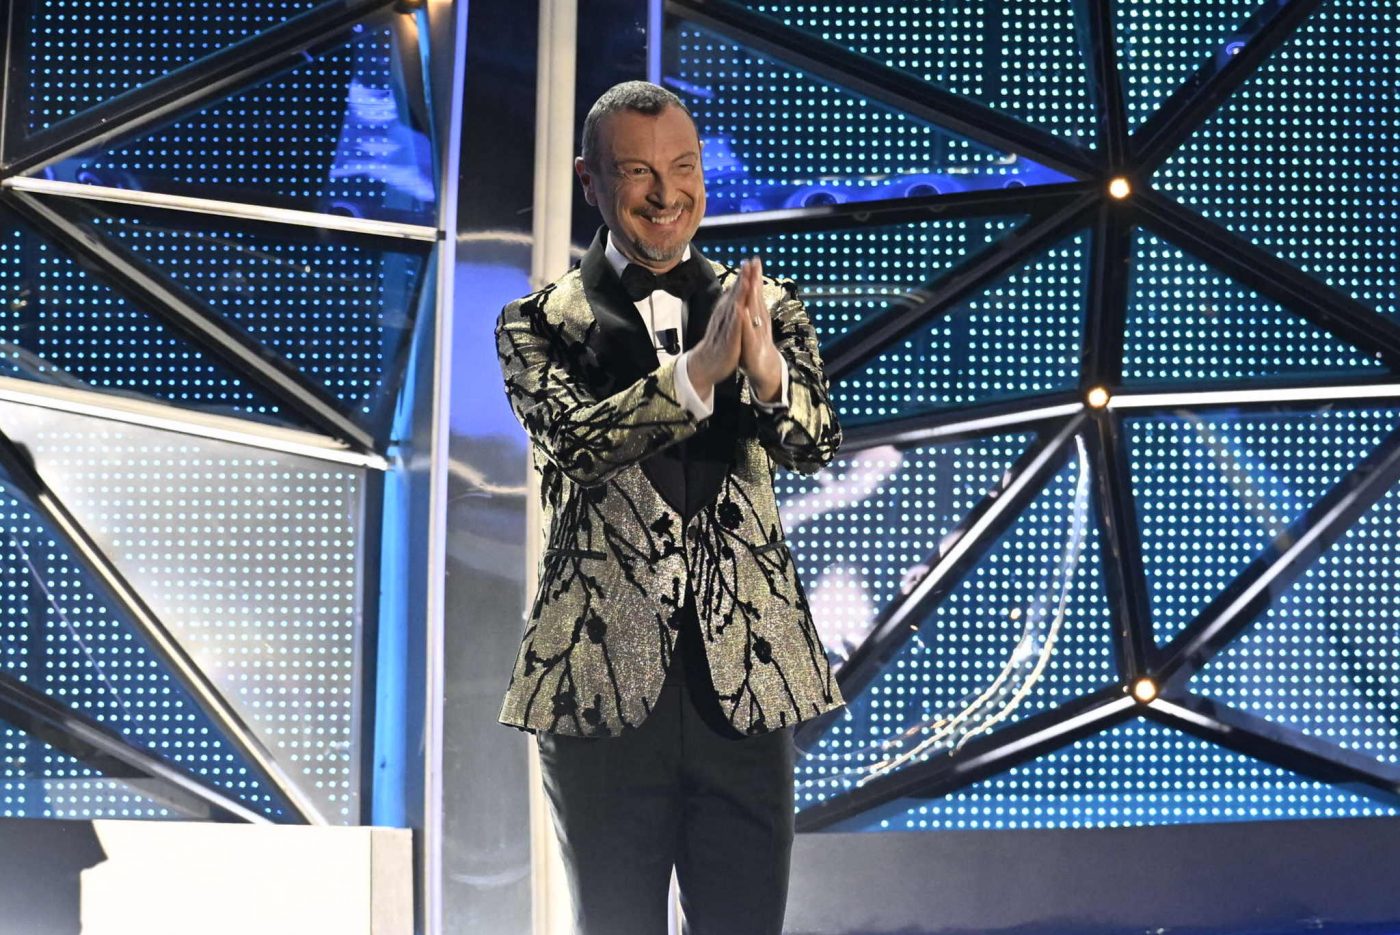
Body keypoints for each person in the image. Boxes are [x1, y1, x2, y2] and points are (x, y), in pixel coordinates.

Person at [494, 80, 844, 935]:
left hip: (747, 680)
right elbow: (578, 443)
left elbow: (814, 444)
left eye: (683, 168)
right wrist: (695, 375)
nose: (666, 193)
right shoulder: (535, 323)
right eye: (638, 171)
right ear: (590, 181)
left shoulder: (767, 307)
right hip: (598, 687)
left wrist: (764, 372)